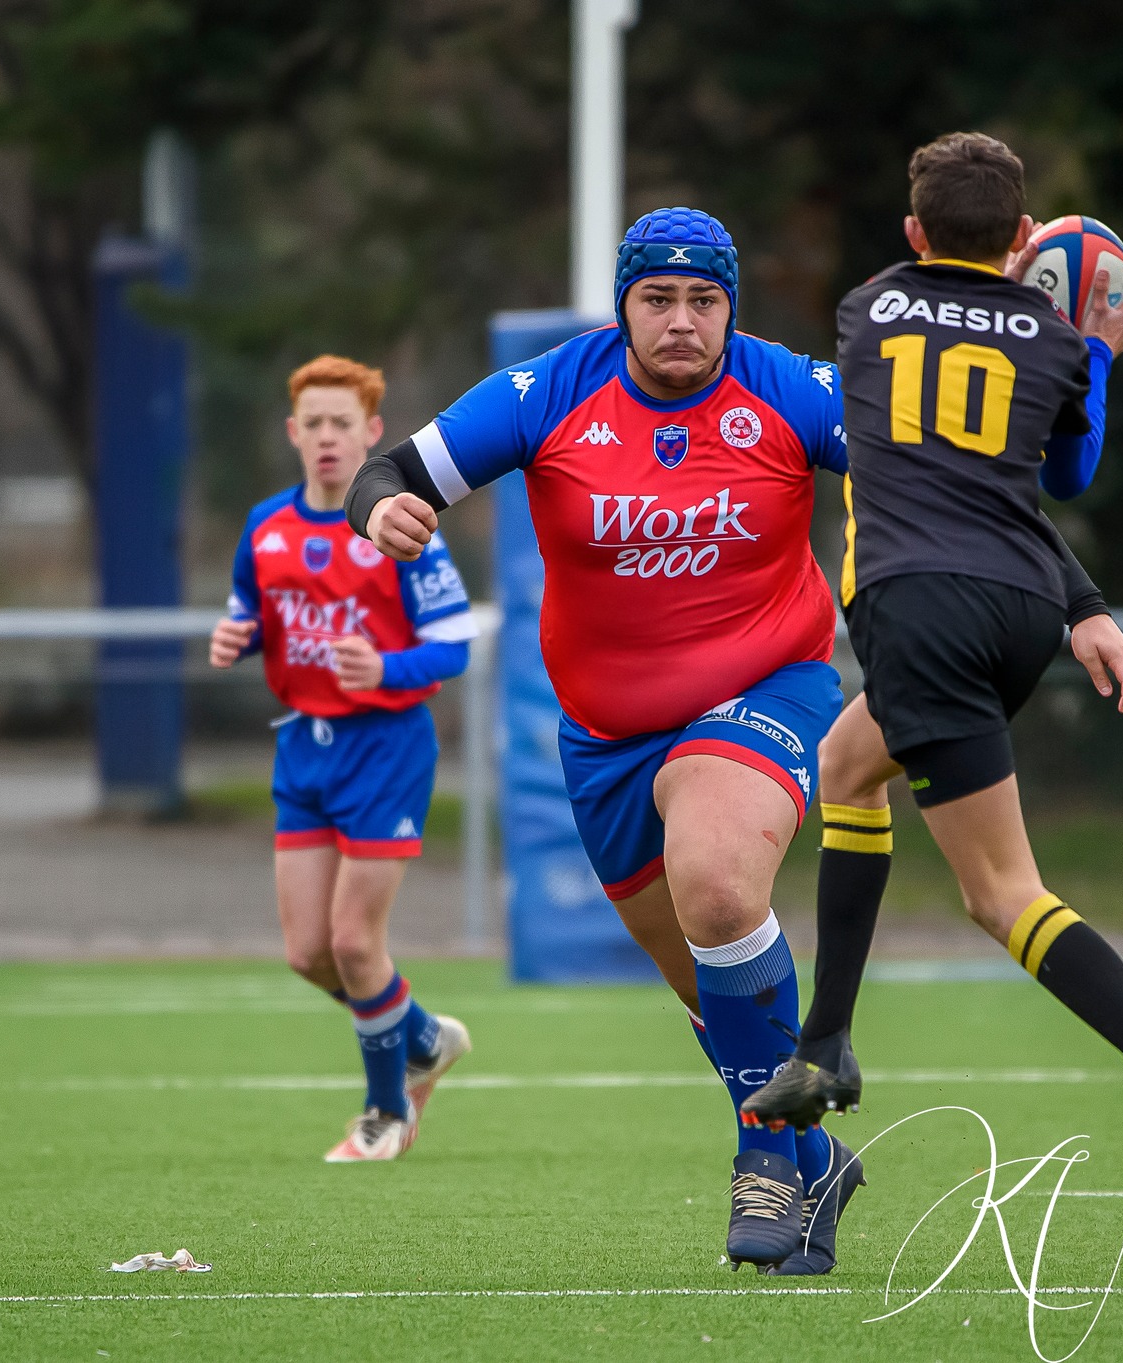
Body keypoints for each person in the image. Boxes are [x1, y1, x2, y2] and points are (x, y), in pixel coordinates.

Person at [740, 133, 1123, 1240]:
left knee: (1001, 894)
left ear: (911, 233)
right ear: (1023, 238)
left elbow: (917, 434)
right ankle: (823, 1045)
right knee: (845, 762)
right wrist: (1098, 352)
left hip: (917, 608)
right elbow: (1062, 478)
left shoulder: (866, 308)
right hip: (1022, 608)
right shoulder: (1052, 339)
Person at [346, 209, 864, 1273]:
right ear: (623, 304)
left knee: (718, 883)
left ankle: (764, 1154)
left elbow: (943, 464)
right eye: (657, 299)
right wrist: (380, 514)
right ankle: (814, 1159)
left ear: (730, 307)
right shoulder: (547, 393)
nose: (681, 321)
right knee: (708, 990)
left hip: (769, 688)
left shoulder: (790, 391)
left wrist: (1070, 373)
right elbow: (389, 471)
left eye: (703, 300)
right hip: (604, 739)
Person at [210, 355, 476, 1163]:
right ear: (294, 433)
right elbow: (251, 612)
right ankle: (423, 1036)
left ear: (371, 434)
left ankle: (385, 1111)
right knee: (308, 953)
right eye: (313, 423)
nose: (327, 437)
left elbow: (455, 642)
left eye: (342, 424)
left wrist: (387, 669)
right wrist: (239, 635)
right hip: (303, 747)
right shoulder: (266, 527)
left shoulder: (401, 523)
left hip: (385, 748)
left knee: (357, 943)